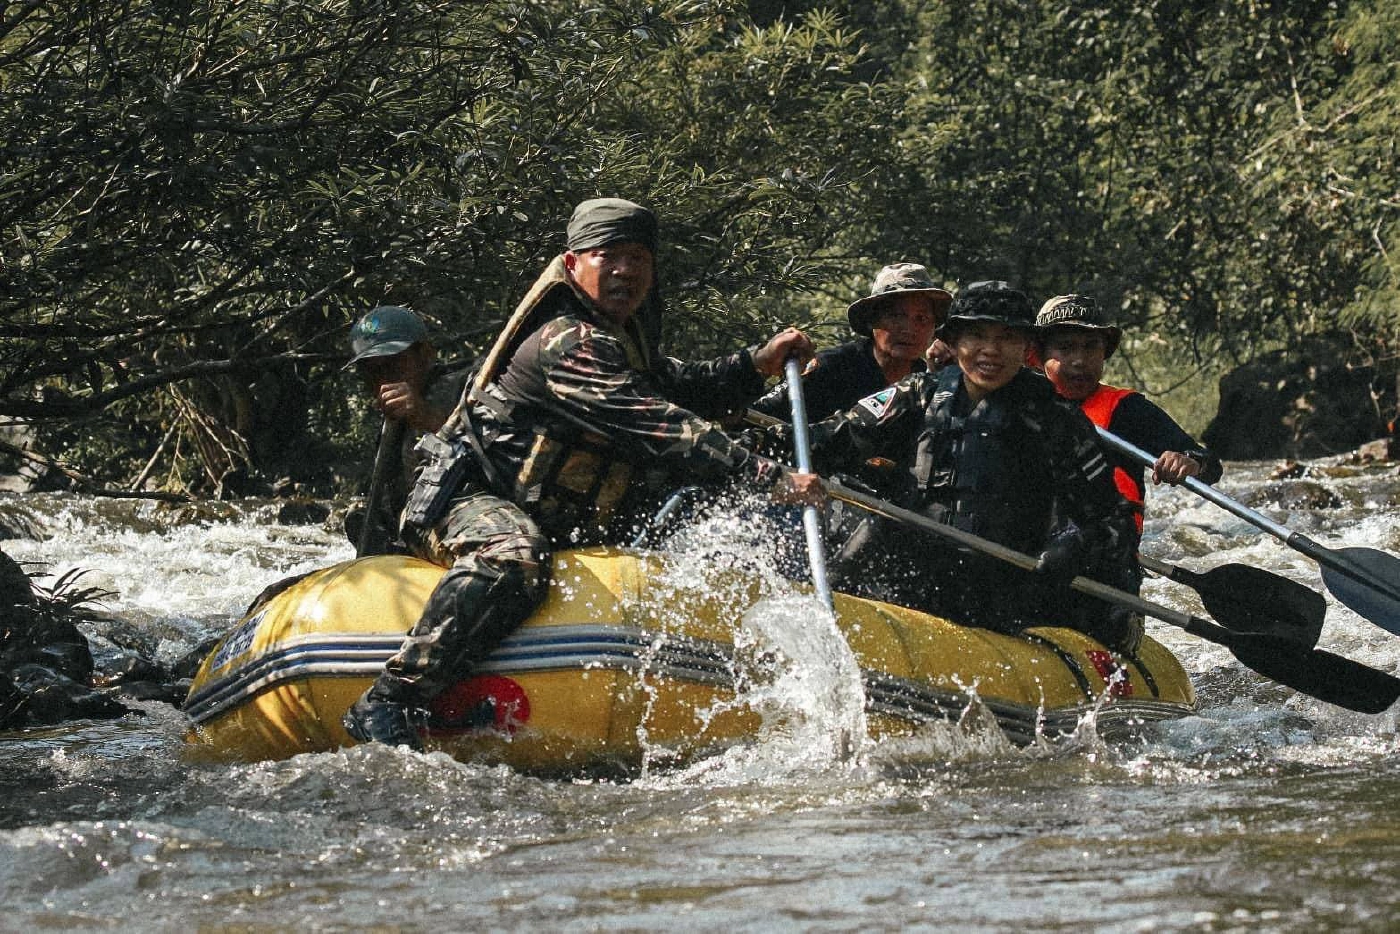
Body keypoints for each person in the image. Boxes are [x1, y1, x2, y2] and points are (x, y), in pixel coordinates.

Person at [342, 197, 820, 749]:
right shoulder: (564, 342)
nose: (625, 272)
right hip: (466, 501)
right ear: (573, 266)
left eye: (638, 258)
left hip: (553, 511)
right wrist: (763, 474)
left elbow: (680, 386)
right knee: (512, 556)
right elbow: (651, 420)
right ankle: (390, 699)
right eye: (608, 257)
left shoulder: (621, 342)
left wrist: (756, 363)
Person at [796, 280, 1144, 653]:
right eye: (976, 335)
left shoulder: (1058, 422)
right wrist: (760, 457)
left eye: (1007, 338)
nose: (990, 351)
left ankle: (1115, 632)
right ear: (953, 340)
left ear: (1026, 347)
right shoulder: (918, 395)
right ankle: (827, 616)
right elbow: (826, 441)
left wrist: (1074, 547)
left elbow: (1113, 522)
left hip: (1005, 586)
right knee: (874, 520)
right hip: (921, 573)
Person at [1033, 295, 1222, 530]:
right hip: (1025, 550)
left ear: (1104, 353)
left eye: (1091, 346)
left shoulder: (1128, 410)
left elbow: (1210, 465)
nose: (1080, 360)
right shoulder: (1013, 406)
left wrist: (1191, 463)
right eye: (1065, 347)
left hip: (1104, 551)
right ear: (1040, 356)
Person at [344, 305, 470, 554]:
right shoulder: (389, 418)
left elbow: (496, 458)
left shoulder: (466, 388)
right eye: (371, 370)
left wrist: (427, 417)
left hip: (465, 516)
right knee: (357, 517)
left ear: (425, 354)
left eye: (392, 364)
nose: (382, 380)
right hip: (414, 527)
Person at [753, 262, 951, 422]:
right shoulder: (831, 369)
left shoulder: (927, 380)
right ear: (872, 321)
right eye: (896, 316)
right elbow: (755, 416)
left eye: (922, 319)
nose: (909, 329)